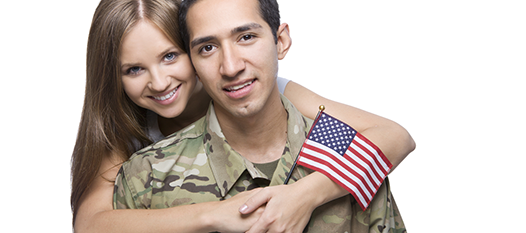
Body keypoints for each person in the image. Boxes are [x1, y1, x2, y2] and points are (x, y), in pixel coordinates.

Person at [71, 0, 415, 232]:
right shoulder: (132, 151)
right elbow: (91, 224)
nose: (160, 82)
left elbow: (391, 136)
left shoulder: (268, 90)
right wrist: (213, 215)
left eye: (169, 57)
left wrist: (305, 194)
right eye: (133, 69)